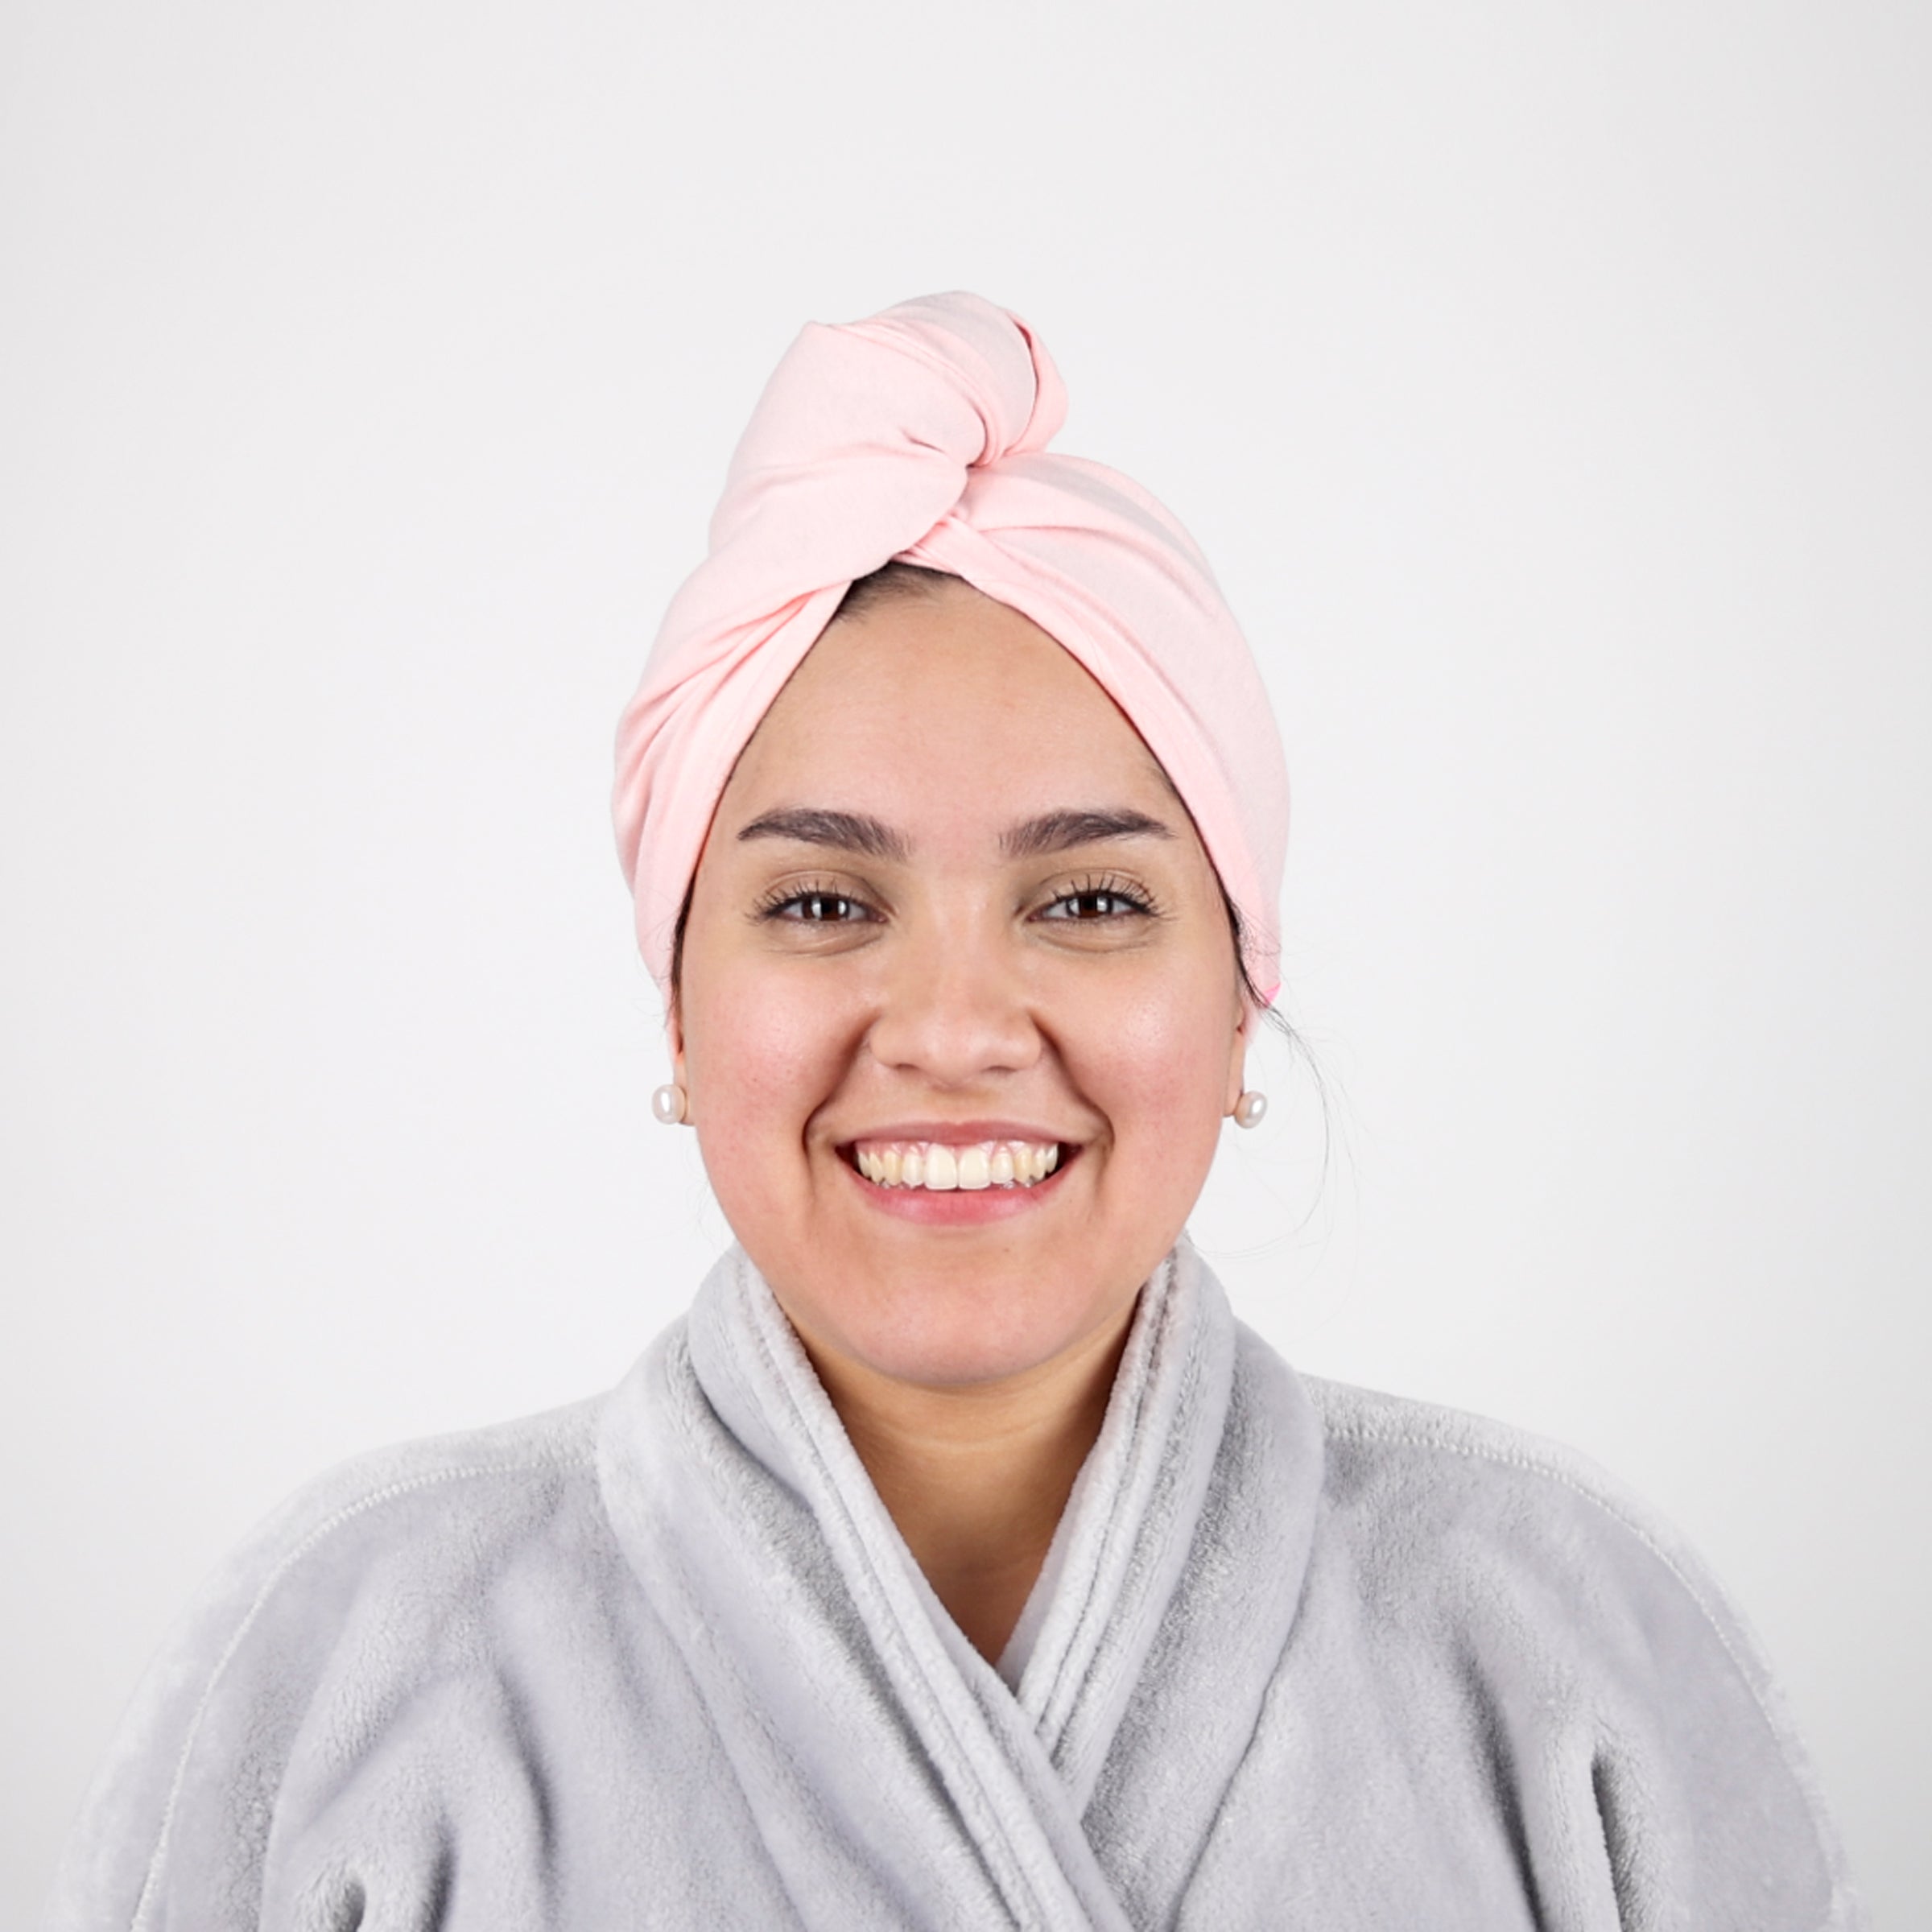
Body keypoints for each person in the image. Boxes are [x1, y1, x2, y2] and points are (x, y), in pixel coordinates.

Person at [47, 294, 1862, 1930]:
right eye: (825, 903)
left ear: (1242, 1002)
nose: (955, 1029)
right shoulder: (353, 1661)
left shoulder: (1563, 1642)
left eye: (1090, 901)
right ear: (678, 1008)